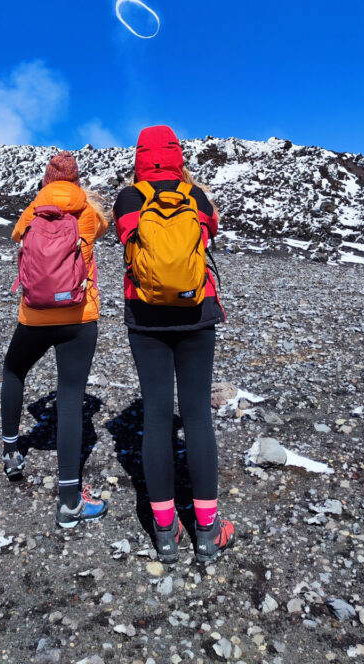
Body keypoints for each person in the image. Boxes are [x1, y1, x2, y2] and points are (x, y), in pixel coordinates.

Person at [113, 125, 235, 564]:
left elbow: (127, 242)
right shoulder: (197, 198)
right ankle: (208, 529)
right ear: (178, 156)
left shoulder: (128, 199)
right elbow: (209, 236)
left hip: (145, 320)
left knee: (157, 416)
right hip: (196, 314)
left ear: (140, 159)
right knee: (197, 416)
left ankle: (165, 532)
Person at [1, 150, 110, 529]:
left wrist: (40, 201)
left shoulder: (33, 210)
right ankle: (69, 502)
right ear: (77, 181)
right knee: (70, 398)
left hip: (34, 315)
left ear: (46, 181)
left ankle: (12, 452)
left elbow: (16, 235)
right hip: (79, 317)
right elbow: (105, 228)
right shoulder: (88, 214)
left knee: (14, 371)